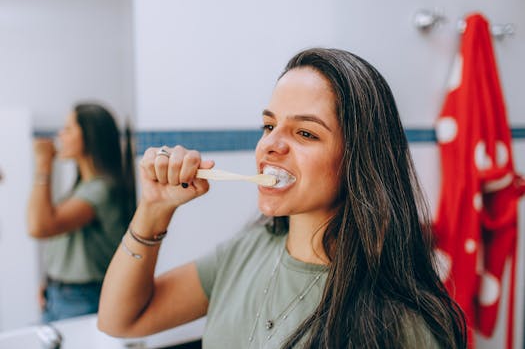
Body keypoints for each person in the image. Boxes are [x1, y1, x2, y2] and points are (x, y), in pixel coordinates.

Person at [97, 48, 467, 348]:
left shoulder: (402, 325)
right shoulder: (247, 251)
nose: (270, 145)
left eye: (305, 133)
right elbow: (122, 320)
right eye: (270, 125)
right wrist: (153, 209)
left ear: (360, 159)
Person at [27, 103, 136, 322]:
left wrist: (43, 164)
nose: (60, 135)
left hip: (81, 299)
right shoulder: (84, 187)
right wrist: (51, 281)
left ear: (90, 137)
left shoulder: (101, 190)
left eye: (68, 129)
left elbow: (39, 226)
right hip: (61, 296)